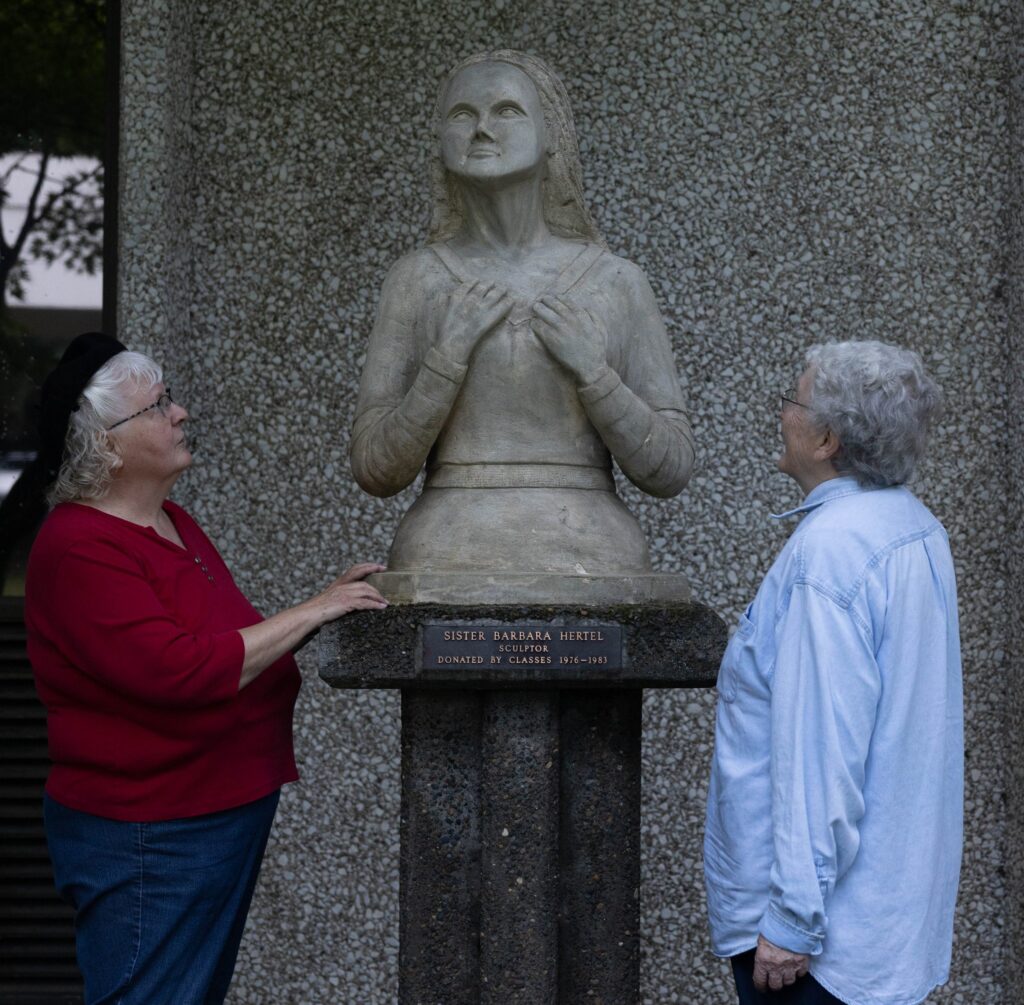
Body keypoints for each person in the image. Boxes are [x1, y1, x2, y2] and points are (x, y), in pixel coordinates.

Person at [25, 332, 387, 1004]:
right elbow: (180, 672)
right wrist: (312, 609)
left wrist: (325, 609)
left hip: (214, 812)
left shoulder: (172, 521)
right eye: (158, 405)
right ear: (106, 444)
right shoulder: (79, 548)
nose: (180, 412)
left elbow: (229, 643)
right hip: (149, 837)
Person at [350, 50, 694, 588]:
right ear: (440, 140)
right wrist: (446, 360)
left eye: (507, 111)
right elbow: (375, 467)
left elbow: (671, 467)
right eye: (462, 114)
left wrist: (595, 374)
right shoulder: (417, 279)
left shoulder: (616, 282)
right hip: (447, 545)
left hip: (593, 547)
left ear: (551, 133)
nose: (483, 128)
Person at [704, 340, 963, 1004]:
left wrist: (791, 922)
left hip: (819, 953)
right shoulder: (915, 526)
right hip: (884, 933)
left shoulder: (830, 553)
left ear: (826, 437)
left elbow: (821, 752)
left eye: (793, 400)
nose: (782, 413)